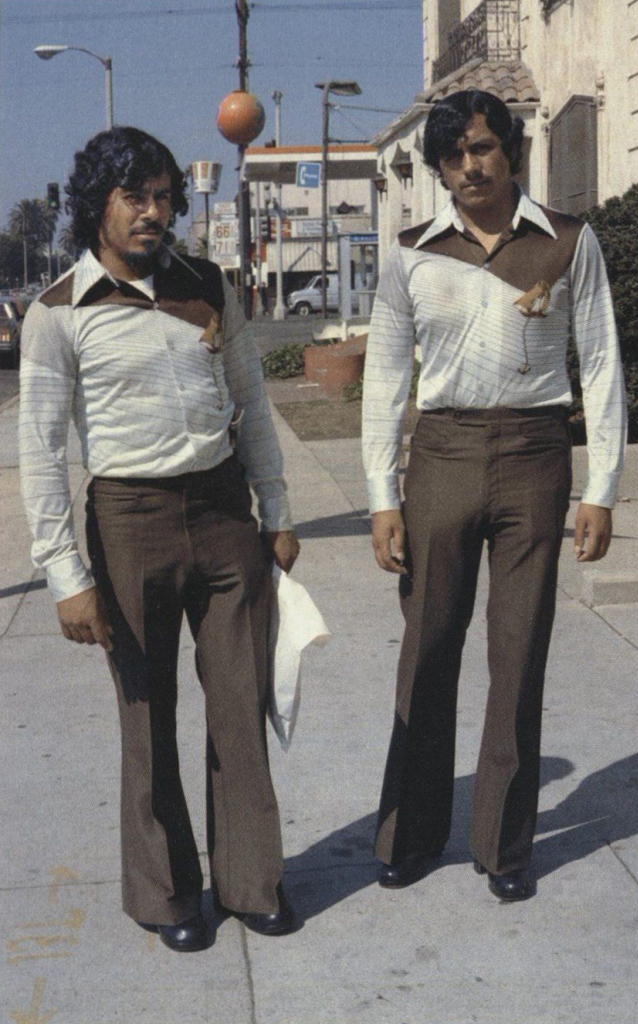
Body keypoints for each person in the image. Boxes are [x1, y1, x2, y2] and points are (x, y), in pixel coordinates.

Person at [19, 127, 300, 949]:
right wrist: (65, 573)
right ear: (96, 204)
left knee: (239, 710)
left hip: (221, 518)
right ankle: (166, 895)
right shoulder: (59, 312)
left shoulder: (206, 284)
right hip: (129, 522)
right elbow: (39, 452)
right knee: (148, 720)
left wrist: (276, 513)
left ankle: (252, 883)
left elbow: (251, 399)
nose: (154, 212)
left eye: (164, 196)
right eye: (134, 196)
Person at [362, 90, 626, 901]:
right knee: (429, 645)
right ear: (438, 167)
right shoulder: (411, 252)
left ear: (510, 150)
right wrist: (380, 492)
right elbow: (385, 374)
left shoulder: (568, 243)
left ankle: (504, 849)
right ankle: (409, 836)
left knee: (518, 652)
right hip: (440, 454)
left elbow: (603, 363)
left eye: (480, 148)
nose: (467, 166)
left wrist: (601, 487)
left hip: (534, 454)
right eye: (451, 155)